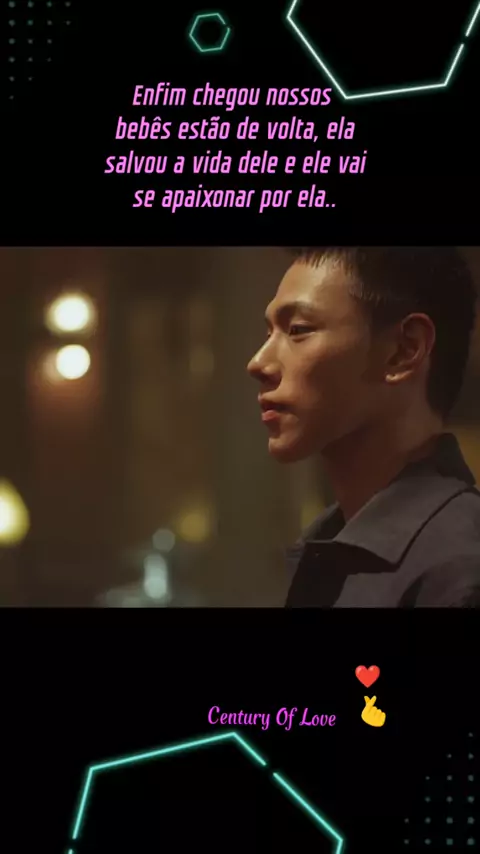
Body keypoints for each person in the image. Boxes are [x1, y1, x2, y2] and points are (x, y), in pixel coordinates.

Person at [247, 246, 480, 607]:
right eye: (269, 333)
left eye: (298, 330)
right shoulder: (330, 551)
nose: (258, 363)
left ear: (404, 349)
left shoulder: (457, 571)